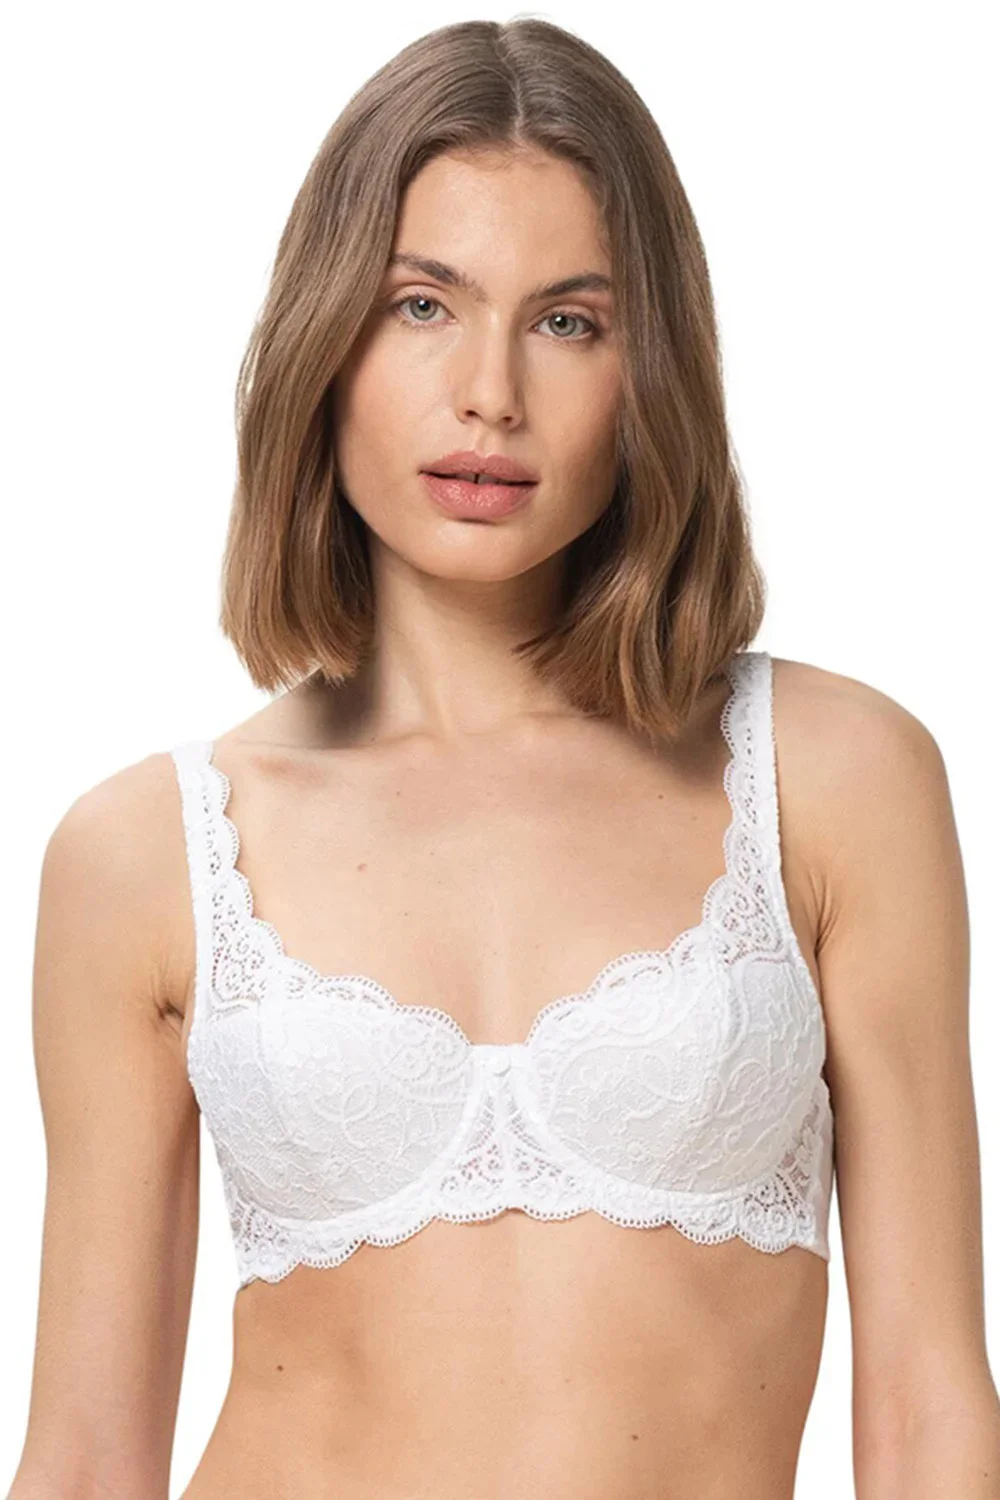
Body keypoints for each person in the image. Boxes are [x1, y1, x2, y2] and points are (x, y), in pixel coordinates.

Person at [8, 17, 1000, 1500]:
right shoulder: (146, 853)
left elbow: (929, 1410)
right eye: (422, 305)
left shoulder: (836, 779)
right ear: (325, 342)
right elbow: (87, 1455)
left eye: (569, 322)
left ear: (648, 372)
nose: (490, 392)